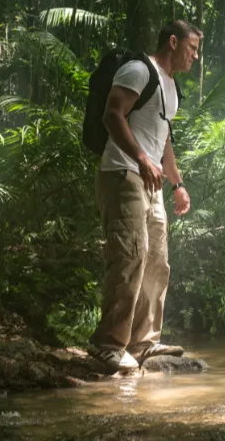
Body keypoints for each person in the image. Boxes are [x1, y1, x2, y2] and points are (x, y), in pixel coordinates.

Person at [87, 20, 202, 371]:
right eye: (192, 48)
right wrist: (140, 160)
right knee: (130, 258)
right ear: (173, 42)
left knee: (157, 263)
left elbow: (163, 141)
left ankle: (142, 343)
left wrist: (178, 184)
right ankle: (107, 344)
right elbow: (112, 115)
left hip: (151, 185)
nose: (195, 57)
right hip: (122, 174)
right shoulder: (139, 70)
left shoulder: (171, 88)